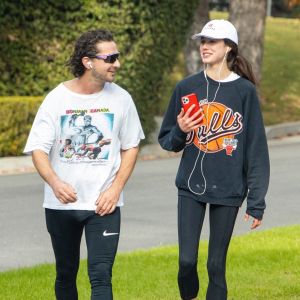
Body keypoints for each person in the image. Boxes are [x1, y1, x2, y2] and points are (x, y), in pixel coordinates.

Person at [24, 29, 144, 300]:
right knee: (66, 273)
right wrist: (55, 183)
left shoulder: (122, 99)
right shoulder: (57, 99)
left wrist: (115, 189)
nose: (117, 64)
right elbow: (38, 150)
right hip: (62, 205)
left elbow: (131, 146)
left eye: (118, 56)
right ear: (88, 62)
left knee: (101, 276)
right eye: (110, 57)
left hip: (104, 205)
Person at [158, 19, 270, 300]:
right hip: (190, 187)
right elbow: (167, 141)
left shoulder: (244, 92)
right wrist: (181, 131)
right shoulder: (187, 87)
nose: (204, 46)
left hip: (229, 187)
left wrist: (256, 202)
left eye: (212, 42)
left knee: (216, 265)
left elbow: (256, 149)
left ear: (229, 47)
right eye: (202, 41)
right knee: (186, 262)